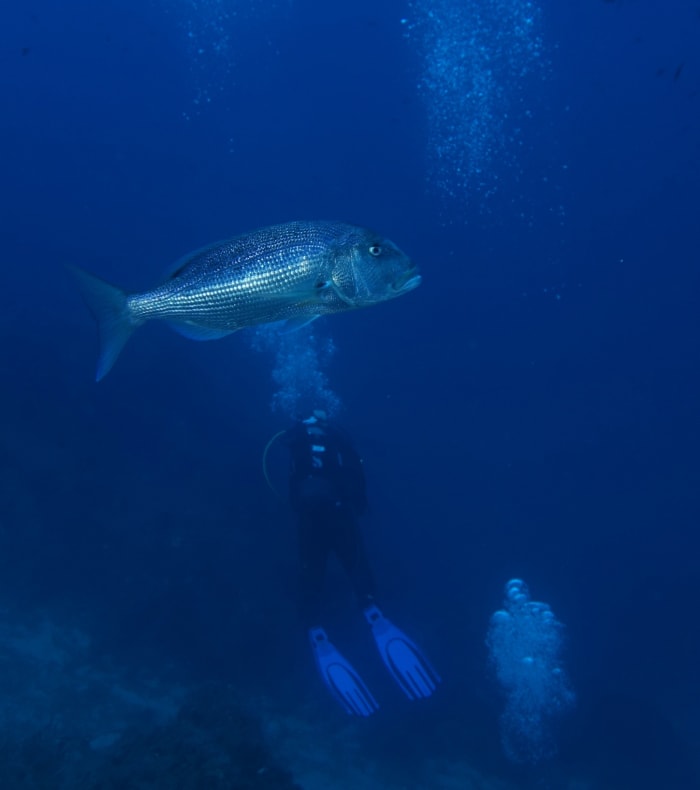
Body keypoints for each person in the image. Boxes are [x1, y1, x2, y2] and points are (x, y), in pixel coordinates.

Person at [271, 410, 440, 716]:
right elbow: (355, 471)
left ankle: (314, 628)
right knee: (356, 563)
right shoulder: (337, 435)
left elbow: (289, 482)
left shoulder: (295, 439)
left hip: (309, 518)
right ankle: (372, 611)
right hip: (340, 513)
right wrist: (360, 505)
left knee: (311, 573)